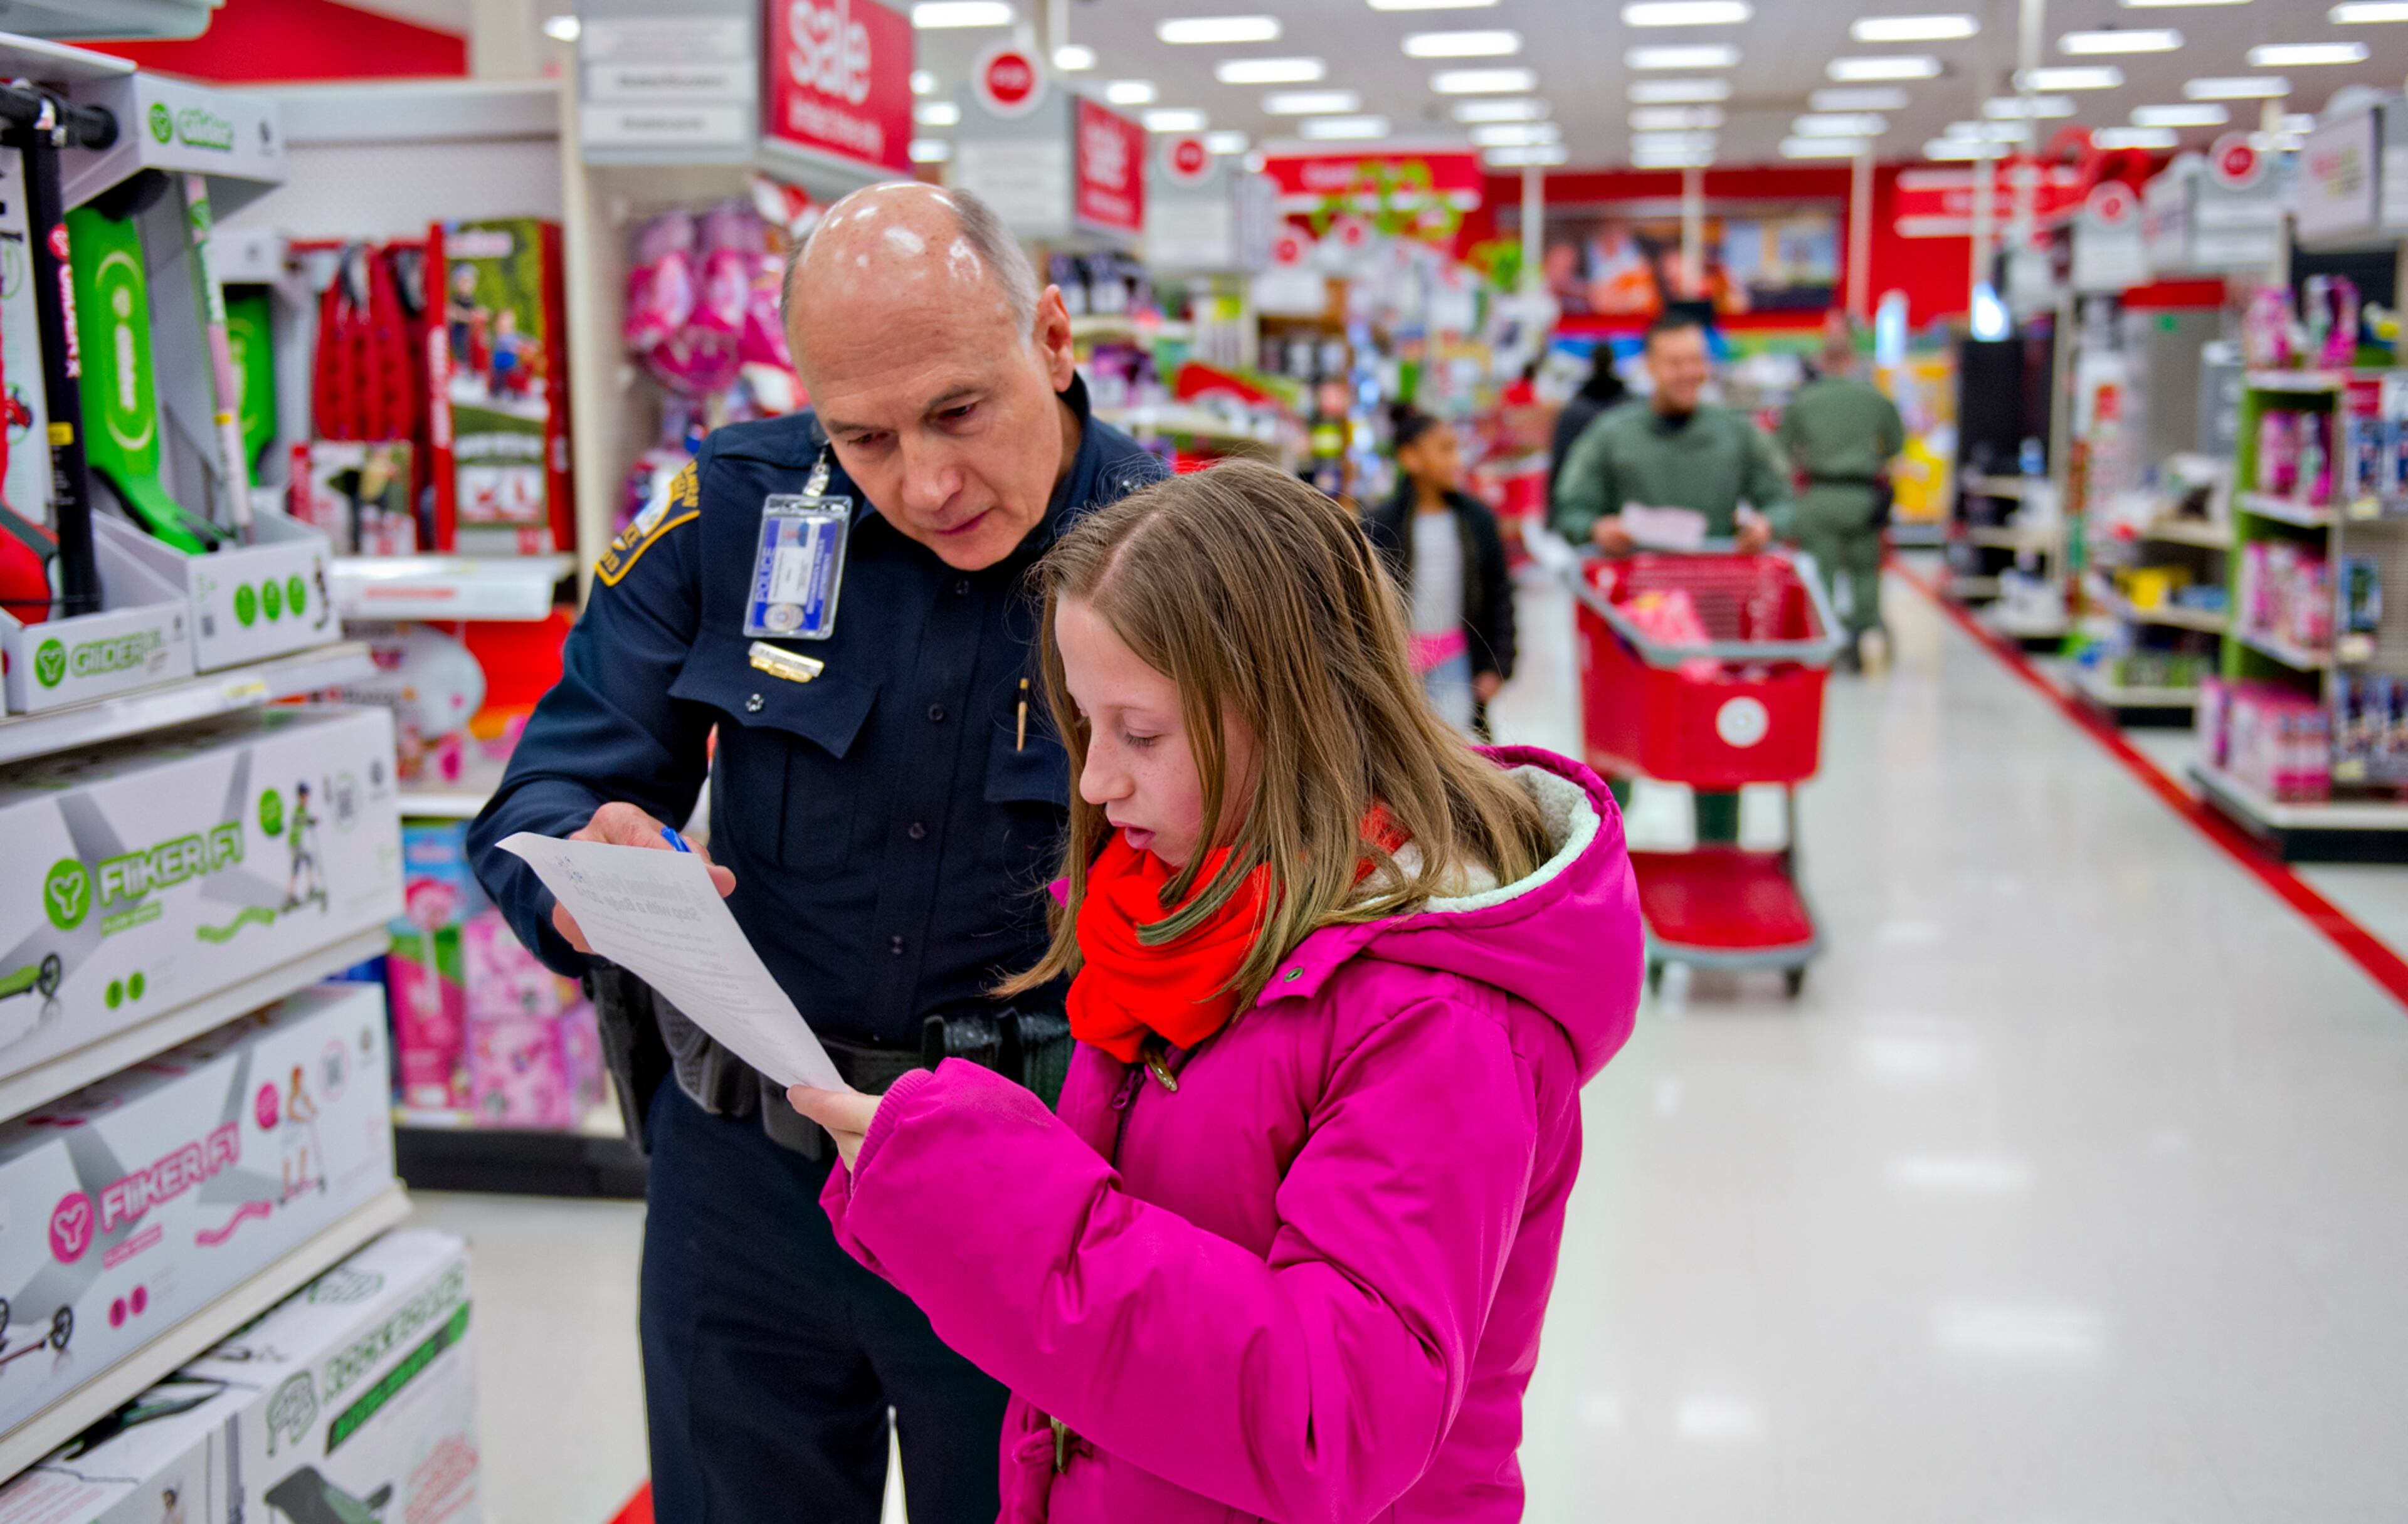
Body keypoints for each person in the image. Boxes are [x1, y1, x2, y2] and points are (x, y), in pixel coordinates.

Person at [465, 184, 1169, 1524]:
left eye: (961, 409)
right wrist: (588, 867)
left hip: (1040, 1189)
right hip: (750, 1187)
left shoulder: (1184, 554)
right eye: (866, 436)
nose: (926, 482)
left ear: (1057, 337)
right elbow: (542, 792)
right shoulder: (737, 509)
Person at [790, 460, 1644, 1523]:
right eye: (1083, 726)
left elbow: (1333, 1422)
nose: (1097, 781)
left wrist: (991, 1198)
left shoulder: (1440, 1021)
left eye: (1139, 734)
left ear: (1291, 716)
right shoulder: (1187, 913)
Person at [1551, 312, 1795, 843]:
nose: (1688, 372)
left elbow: (1781, 499)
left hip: (1716, 621)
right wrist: (1598, 526)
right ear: (1651, 367)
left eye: (1696, 361)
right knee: (1617, 752)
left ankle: (1718, 863)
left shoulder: (1736, 435)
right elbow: (1568, 509)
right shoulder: (1612, 436)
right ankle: (1603, 867)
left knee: (1717, 749)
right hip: (1629, 630)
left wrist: (1766, 523)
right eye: (1675, 362)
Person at [1363, 405, 1516, 736]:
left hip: (1456, 659)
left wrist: (1498, 664)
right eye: (1444, 450)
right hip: (1399, 667)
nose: (1456, 460)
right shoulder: (1379, 526)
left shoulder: (1478, 522)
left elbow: (1499, 593)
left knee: (1459, 748)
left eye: (1455, 449)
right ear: (1410, 458)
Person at [1780, 322, 1906, 671]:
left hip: (1819, 496)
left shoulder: (1804, 401)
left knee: (1821, 572)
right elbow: (1895, 444)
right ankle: (1864, 637)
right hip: (1863, 497)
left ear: (1822, 359)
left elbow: (1782, 448)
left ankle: (1824, 644)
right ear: (1853, 359)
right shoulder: (1876, 400)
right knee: (1866, 570)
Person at [1546, 348, 1629, 513]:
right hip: (1626, 506)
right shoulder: (1629, 407)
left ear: (1592, 364)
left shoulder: (1574, 410)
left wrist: (1554, 508)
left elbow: (1561, 458)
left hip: (1584, 506)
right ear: (1613, 363)